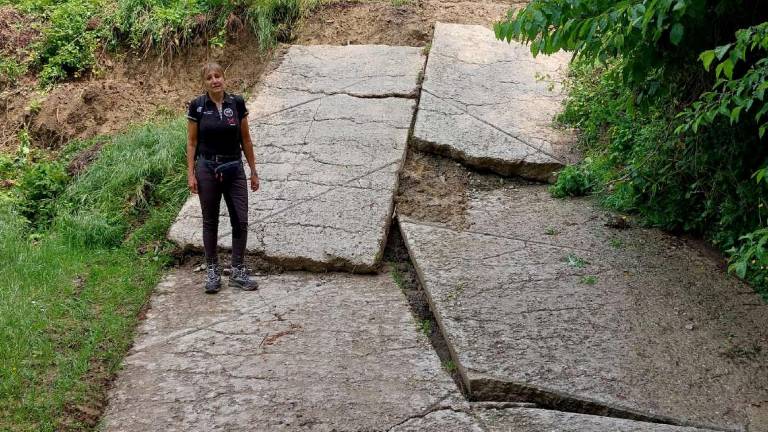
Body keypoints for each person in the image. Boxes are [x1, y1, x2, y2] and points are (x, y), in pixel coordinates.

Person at [186, 62, 260, 294]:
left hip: (234, 167)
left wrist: (253, 170)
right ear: (204, 83)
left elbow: (246, 140)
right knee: (210, 221)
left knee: (240, 218)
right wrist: (191, 173)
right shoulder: (197, 106)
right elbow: (192, 142)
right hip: (207, 168)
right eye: (209, 78)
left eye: (218, 76)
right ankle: (212, 272)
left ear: (224, 78)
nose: (214, 80)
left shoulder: (236, 103)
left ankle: (238, 271)